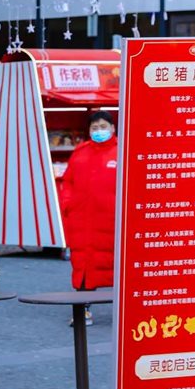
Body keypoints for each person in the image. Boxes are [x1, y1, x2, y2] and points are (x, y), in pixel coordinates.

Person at [58, 110, 118, 325]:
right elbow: (68, 182)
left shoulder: (123, 152)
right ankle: (83, 309)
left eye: (103, 126)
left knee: (120, 265)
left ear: (112, 128)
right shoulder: (81, 152)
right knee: (83, 264)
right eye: (94, 127)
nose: (99, 131)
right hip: (83, 222)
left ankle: (125, 311)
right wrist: (68, 205)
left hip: (113, 222)